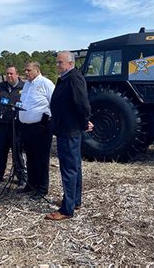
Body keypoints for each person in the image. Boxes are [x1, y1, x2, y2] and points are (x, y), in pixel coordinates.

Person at [46, 51, 93, 220]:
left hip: (69, 130)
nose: (57, 65)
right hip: (66, 129)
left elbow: (82, 103)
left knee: (69, 169)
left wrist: (84, 121)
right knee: (75, 167)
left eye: (60, 62)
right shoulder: (66, 78)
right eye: (57, 62)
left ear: (70, 63)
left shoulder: (73, 78)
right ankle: (75, 200)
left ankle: (67, 209)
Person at [18, 61, 55, 200]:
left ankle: (42, 188)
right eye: (25, 70)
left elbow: (54, 103)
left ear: (37, 70)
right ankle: (31, 184)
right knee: (30, 157)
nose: (26, 73)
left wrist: (47, 120)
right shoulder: (27, 85)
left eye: (28, 70)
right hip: (26, 127)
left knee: (41, 159)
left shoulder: (46, 83)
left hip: (41, 128)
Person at [0, 65, 27, 186]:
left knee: (17, 153)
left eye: (11, 73)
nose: (9, 76)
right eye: (7, 74)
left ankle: (21, 177)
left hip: (16, 126)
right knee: (0, 152)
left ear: (17, 74)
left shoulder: (24, 87)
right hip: (1, 126)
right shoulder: (1, 87)